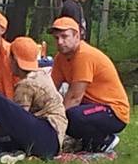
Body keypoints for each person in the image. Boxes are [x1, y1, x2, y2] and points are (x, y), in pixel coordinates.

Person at [49, 16, 128, 152]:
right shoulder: (60, 58)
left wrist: (55, 120)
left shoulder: (84, 55)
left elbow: (75, 97)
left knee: (71, 116)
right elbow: (50, 89)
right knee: (66, 115)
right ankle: (88, 142)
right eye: (57, 38)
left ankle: (104, 140)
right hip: (92, 105)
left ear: (77, 36)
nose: (60, 42)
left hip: (113, 110)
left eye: (64, 36)